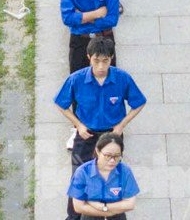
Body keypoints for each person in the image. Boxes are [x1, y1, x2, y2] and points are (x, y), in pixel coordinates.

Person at [54, 34, 144, 169]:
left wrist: (121, 126)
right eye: (96, 61)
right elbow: (61, 104)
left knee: (111, 174)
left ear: (111, 58)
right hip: (86, 134)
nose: (101, 66)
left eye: (105, 60)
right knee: (80, 175)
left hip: (112, 134)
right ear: (89, 57)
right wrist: (78, 125)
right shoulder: (76, 79)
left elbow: (139, 103)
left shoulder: (122, 79)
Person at [66, 132, 139, 219]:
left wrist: (103, 207)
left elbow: (130, 204)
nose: (112, 160)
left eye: (117, 156)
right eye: (108, 156)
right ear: (98, 151)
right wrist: (109, 212)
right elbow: (78, 207)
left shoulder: (125, 171)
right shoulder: (83, 172)